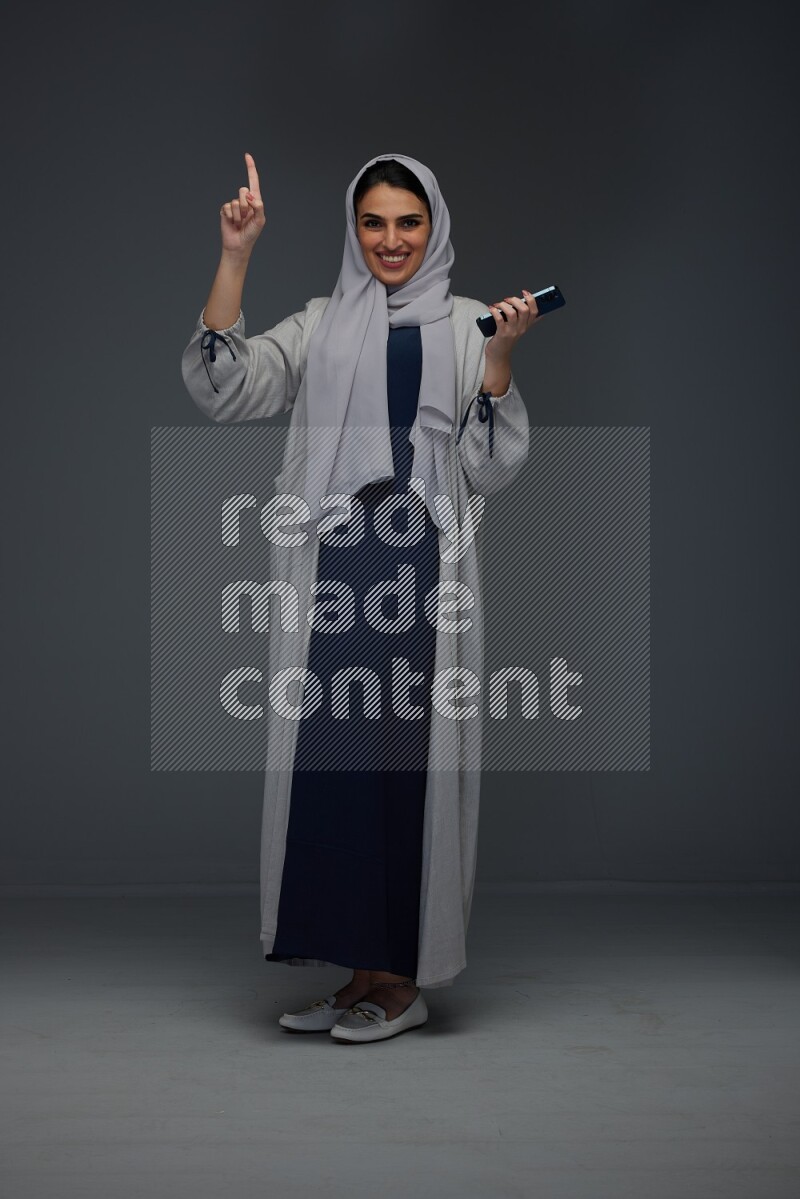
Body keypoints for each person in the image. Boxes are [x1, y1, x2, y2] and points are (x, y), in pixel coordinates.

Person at [181, 151, 536, 1043]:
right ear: (355, 228)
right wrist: (236, 256)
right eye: (373, 222)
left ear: (435, 227)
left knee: (404, 765)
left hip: (419, 570)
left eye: (407, 222)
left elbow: (490, 467)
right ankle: (356, 972)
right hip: (335, 567)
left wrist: (497, 359)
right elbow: (225, 389)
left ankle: (402, 981)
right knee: (332, 768)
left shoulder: (466, 324)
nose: (390, 240)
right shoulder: (319, 324)